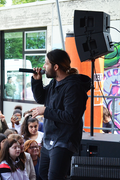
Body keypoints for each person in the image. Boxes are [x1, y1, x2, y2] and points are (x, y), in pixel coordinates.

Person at [31, 49, 91, 180]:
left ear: (56, 67)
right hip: (50, 139)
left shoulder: (73, 87)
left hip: (64, 140)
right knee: (42, 174)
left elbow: (71, 116)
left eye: (46, 64)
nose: (43, 67)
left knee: (55, 177)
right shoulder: (54, 83)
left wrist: (46, 111)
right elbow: (41, 98)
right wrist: (37, 81)